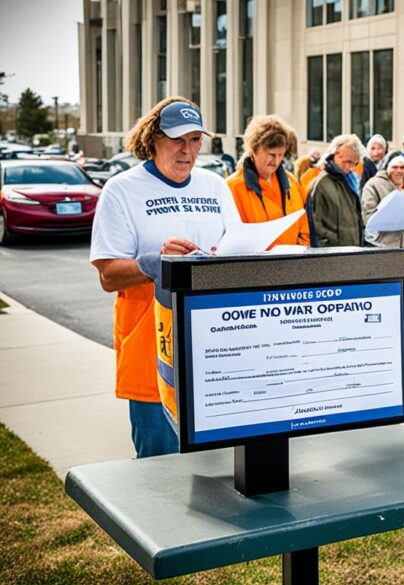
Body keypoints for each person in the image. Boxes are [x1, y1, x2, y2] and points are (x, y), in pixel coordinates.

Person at [89, 98, 241, 458]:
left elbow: (236, 245)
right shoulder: (123, 190)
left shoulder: (215, 186)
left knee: (216, 469)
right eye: (177, 140)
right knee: (159, 475)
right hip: (153, 356)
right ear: (153, 138)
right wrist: (156, 262)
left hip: (217, 351)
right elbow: (109, 275)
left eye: (195, 140)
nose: (187, 151)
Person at [226, 115, 309, 248]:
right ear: (254, 150)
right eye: (271, 155)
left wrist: (297, 260)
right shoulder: (232, 187)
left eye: (280, 155)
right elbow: (231, 239)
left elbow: (304, 230)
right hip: (255, 266)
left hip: (292, 264)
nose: (276, 162)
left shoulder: (292, 182)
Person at [363, 152, 404, 311]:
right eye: (394, 167)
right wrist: (396, 212)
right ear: (387, 168)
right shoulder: (373, 185)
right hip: (384, 248)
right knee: (385, 298)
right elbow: (368, 218)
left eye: (402, 167)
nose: (399, 171)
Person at [307, 134, 366, 247]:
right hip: (332, 254)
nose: (349, 167)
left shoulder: (351, 180)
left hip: (351, 251)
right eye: (346, 162)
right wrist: (332, 243)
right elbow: (315, 225)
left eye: (353, 163)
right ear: (334, 155)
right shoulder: (321, 183)